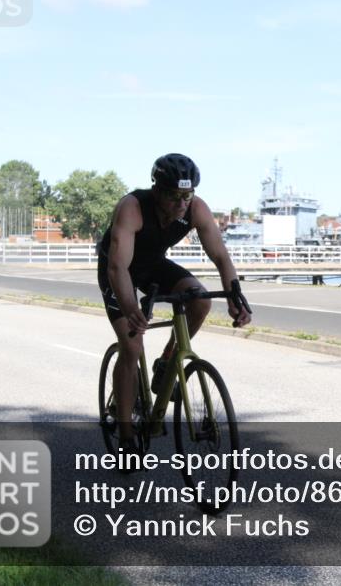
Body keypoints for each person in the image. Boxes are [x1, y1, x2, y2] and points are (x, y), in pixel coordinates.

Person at [97, 153, 252, 455]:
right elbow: (117, 269)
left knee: (199, 300)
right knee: (131, 345)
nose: (181, 203)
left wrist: (235, 297)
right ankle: (126, 433)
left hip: (153, 264)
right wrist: (131, 310)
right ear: (157, 190)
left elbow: (221, 256)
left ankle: (166, 362)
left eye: (186, 195)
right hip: (118, 269)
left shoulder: (196, 208)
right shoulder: (133, 208)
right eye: (173, 196)